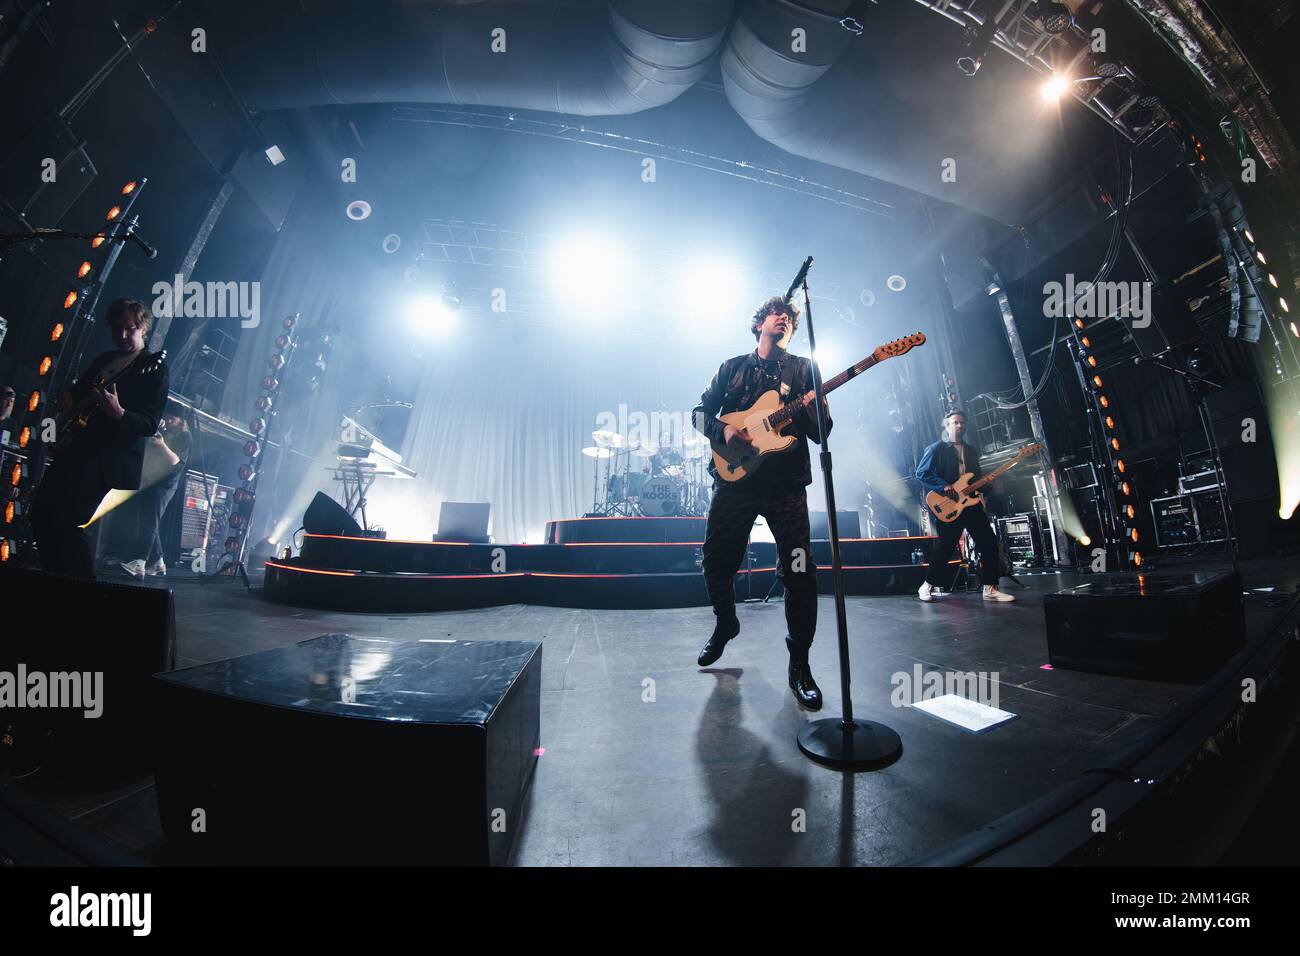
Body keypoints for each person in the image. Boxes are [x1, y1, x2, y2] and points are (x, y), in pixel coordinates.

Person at [691, 294, 831, 709]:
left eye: (790, 317)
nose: (785, 319)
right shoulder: (731, 368)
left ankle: (800, 665)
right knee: (716, 561)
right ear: (759, 324)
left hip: (786, 485)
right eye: (777, 314)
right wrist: (724, 432)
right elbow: (699, 413)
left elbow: (823, 434)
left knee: (800, 572)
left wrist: (813, 402)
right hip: (735, 481)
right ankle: (725, 622)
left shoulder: (805, 370)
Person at [31, 299, 169, 578]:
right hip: (75, 445)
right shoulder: (106, 359)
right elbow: (79, 390)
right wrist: (69, 395)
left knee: (69, 520)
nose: (121, 335)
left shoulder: (153, 367)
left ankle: (84, 589)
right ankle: (52, 579)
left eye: (128, 329)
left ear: (142, 327)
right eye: (116, 329)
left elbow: (150, 423)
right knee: (41, 512)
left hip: (106, 456)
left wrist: (118, 412)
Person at [915, 409, 1015, 603]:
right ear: (947, 425)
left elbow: (975, 478)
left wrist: (988, 486)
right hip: (948, 505)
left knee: (988, 543)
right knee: (945, 547)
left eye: (962, 423)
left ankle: (990, 588)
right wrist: (942, 486)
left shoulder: (971, 451)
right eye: (955, 422)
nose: (960, 425)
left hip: (970, 504)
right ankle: (926, 586)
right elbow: (921, 473)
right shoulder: (935, 449)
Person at [120, 412, 191, 578]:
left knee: (150, 522)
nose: (168, 420)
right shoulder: (169, 431)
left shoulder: (186, 437)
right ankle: (158, 563)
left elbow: (175, 460)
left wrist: (162, 445)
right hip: (156, 481)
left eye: (172, 418)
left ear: (181, 420)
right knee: (151, 522)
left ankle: (139, 563)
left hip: (167, 485)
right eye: (166, 417)